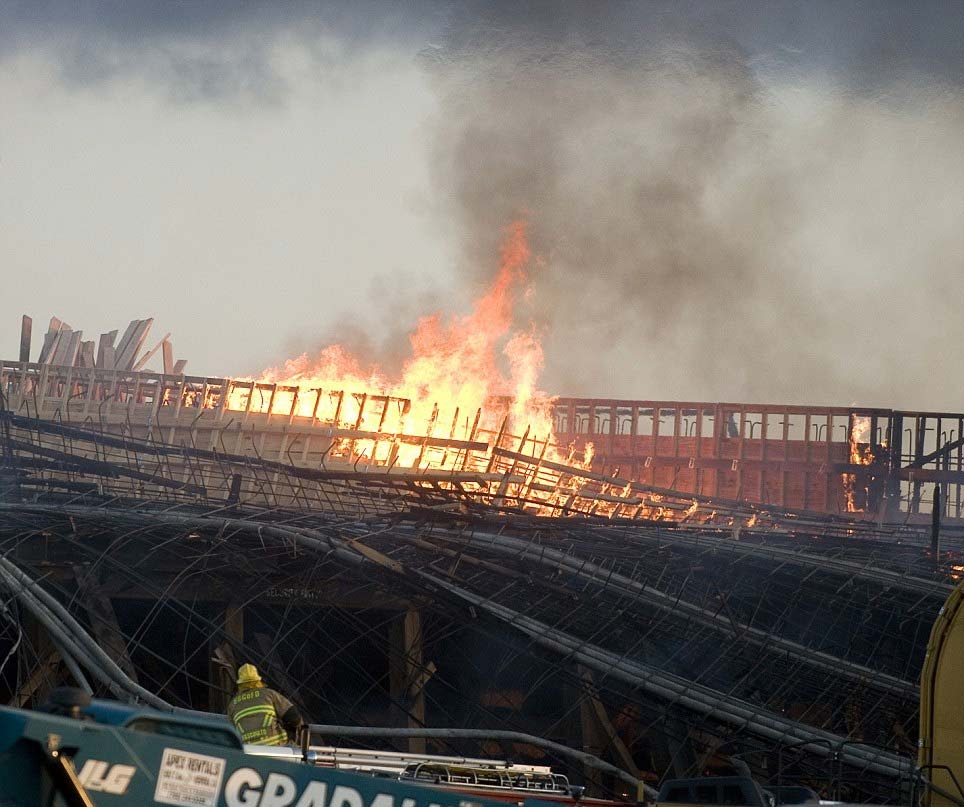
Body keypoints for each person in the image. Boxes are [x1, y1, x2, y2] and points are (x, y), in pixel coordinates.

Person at [227, 663, 304, 746]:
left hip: (248, 753)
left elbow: (231, 732)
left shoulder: (233, 704)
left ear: (240, 684)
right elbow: (294, 717)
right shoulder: (269, 694)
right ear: (258, 680)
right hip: (276, 750)